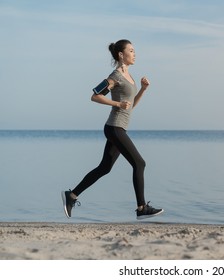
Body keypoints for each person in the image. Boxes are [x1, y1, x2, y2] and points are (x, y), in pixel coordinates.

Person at [61, 39, 163, 220]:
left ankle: (72, 195)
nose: (134, 53)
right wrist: (117, 103)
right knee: (139, 163)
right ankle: (141, 208)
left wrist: (143, 89)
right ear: (121, 55)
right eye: (131, 50)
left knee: (104, 168)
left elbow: (130, 107)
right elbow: (95, 96)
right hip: (115, 127)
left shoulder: (130, 78)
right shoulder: (115, 76)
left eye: (134, 50)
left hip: (119, 128)